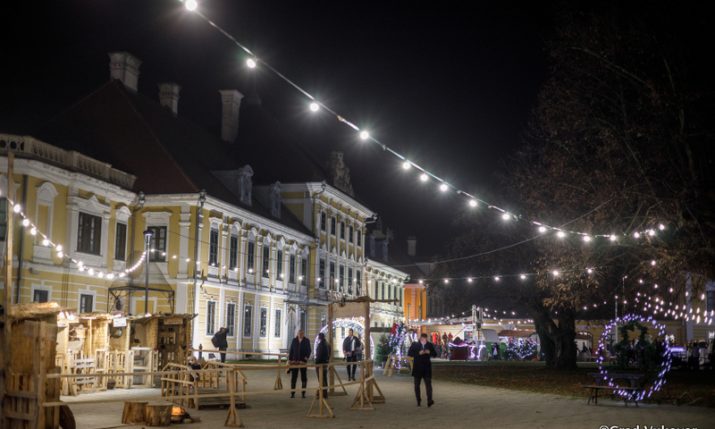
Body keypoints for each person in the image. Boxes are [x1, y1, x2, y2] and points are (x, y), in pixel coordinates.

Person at [408, 333, 437, 407]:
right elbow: (410, 353)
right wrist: (418, 353)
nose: (424, 341)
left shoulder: (429, 345)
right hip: (417, 367)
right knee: (417, 385)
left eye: (425, 340)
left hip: (426, 367)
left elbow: (435, 354)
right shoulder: (415, 345)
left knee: (428, 385)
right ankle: (418, 400)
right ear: (420, 339)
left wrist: (429, 352)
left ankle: (429, 400)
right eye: (423, 340)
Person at [289, 329, 312, 398]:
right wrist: (290, 360)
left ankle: (303, 393)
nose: (300, 335)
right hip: (295, 362)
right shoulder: (294, 340)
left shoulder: (306, 340)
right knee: (294, 378)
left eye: (302, 334)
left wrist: (305, 359)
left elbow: (309, 351)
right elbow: (291, 350)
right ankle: (292, 393)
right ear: (297, 334)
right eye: (299, 333)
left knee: (304, 377)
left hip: (303, 362)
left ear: (303, 334)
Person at [315, 332, 330, 399]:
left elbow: (319, 355)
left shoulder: (321, 345)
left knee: (321, 380)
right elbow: (329, 353)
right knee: (324, 379)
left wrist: (316, 363)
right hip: (325, 364)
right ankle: (325, 393)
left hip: (320, 364)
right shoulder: (327, 344)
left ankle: (323, 394)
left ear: (319, 338)